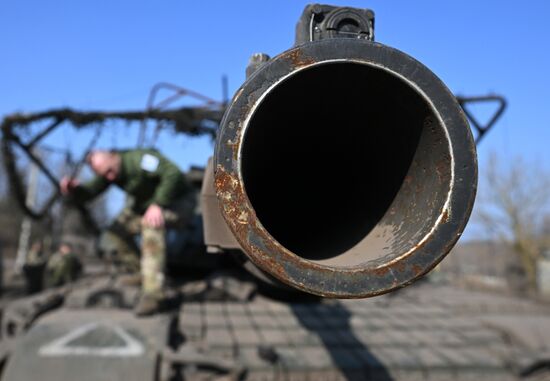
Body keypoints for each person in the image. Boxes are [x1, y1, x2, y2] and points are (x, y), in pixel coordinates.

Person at [60, 149, 193, 316]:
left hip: (179, 202)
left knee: (150, 224)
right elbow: (90, 191)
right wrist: (74, 190)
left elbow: (173, 173)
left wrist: (158, 203)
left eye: (109, 172)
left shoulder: (139, 160)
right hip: (148, 206)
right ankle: (140, 272)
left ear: (113, 157)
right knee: (113, 233)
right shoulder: (111, 172)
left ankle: (154, 294)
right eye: (104, 175)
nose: (109, 178)